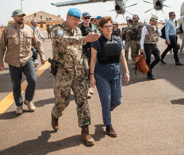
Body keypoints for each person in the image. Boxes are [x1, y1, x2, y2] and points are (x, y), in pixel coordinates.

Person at [51, 8, 100, 146]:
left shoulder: (78, 31)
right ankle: (55, 114)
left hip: (78, 73)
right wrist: (85, 39)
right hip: (63, 74)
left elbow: (79, 47)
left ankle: (85, 131)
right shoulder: (57, 30)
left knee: (83, 101)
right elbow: (65, 40)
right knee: (63, 102)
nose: (77, 22)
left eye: (79, 20)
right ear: (67, 17)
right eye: (75, 19)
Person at [0, 9, 46, 115]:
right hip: (13, 61)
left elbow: (37, 43)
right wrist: (0, 61)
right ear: (14, 17)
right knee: (16, 85)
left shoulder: (29, 29)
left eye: (23, 16)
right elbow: (1, 47)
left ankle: (28, 100)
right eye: (19, 16)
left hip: (27, 59)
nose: (22, 17)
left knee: (32, 80)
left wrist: (42, 56)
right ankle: (19, 105)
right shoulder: (7, 30)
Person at [90, 16, 130, 137]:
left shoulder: (117, 40)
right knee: (106, 100)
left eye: (110, 26)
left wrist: (127, 71)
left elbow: (122, 57)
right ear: (101, 28)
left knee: (117, 100)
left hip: (116, 74)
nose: (109, 28)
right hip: (101, 75)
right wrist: (92, 76)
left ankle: (106, 111)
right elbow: (92, 60)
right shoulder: (96, 41)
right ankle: (108, 125)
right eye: (106, 26)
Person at [78, 12, 100, 99]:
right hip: (82, 51)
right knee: (86, 69)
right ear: (82, 19)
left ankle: (89, 85)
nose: (87, 20)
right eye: (85, 18)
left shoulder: (93, 27)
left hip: (92, 51)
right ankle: (86, 88)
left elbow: (99, 35)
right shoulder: (78, 28)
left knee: (92, 70)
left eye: (88, 18)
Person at [140, 14, 161, 80]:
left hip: (154, 45)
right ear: (151, 20)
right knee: (148, 60)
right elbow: (142, 38)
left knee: (158, 58)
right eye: (155, 22)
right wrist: (142, 48)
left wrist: (157, 27)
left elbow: (160, 34)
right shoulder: (145, 27)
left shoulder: (155, 27)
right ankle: (149, 74)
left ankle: (149, 69)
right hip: (147, 45)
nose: (156, 23)